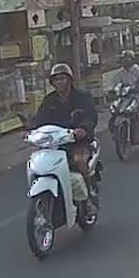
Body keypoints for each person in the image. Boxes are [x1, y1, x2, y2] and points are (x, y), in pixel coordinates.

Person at [29, 63, 98, 211]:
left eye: (62, 78)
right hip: (55, 143)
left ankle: (88, 197)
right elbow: (40, 119)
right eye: (56, 80)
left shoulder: (82, 97)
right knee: (37, 163)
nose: (59, 82)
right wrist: (29, 130)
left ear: (69, 79)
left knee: (79, 161)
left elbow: (91, 116)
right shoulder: (49, 100)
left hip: (78, 142)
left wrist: (83, 128)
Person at [115, 50, 139, 134]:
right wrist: (112, 90)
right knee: (117, 110)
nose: (125, 61)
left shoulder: (137, 69)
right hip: (126, 96)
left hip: (138, 95)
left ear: (132, 59)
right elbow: (114, 83)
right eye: (123, 59)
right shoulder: (120, 72)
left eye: (127, 59)